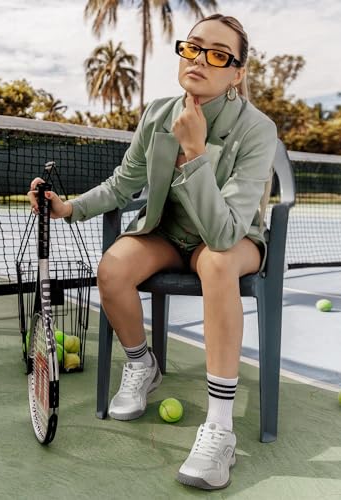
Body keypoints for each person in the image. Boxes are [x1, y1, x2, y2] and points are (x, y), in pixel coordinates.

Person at [29, 13, 277, 491]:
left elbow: (224, 233)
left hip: (232, 240)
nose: (200, 60)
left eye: (218, 55)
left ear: (237, 73)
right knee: (113, 266)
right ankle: (142, 363)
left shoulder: (257, 129)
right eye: (193, 48)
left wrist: (196, 152)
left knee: (218, 263)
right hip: (166, 233)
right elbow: (123, 184)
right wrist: (68, 208)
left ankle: (219, 427)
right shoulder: (157, 114)